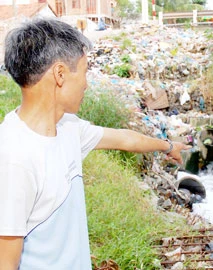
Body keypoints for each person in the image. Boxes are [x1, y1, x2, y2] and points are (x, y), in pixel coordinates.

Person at [0, 18, 190, 269]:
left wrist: (168, 146)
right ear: (60, 74)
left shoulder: (68, 128)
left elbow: (125, 138)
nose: (86, 84)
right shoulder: (14, 157)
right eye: (85, 70)